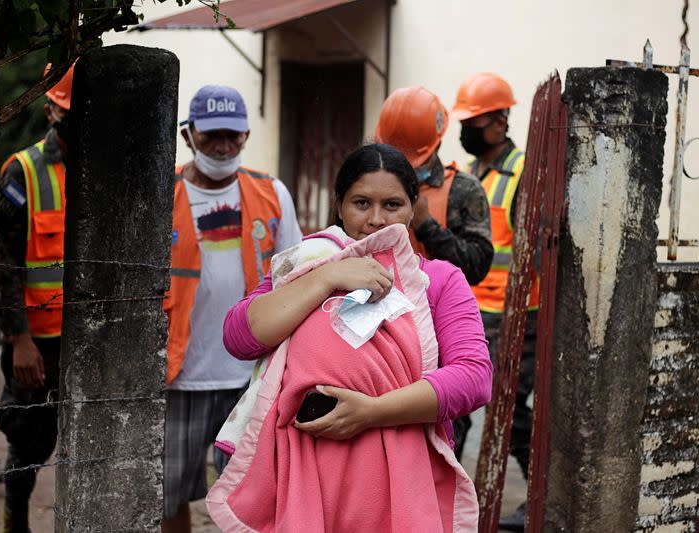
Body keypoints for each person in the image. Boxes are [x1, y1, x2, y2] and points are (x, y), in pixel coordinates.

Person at [211, 144, 492, 530]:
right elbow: (240, 337)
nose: (376, 220)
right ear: (339, 204)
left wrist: (371, 413)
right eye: (361, 203)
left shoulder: (439, 281)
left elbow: (474, 377)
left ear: (414, 207)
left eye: (392, 205)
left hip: (399, 480)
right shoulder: (309, 263)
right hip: (304, 469)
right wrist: (327, 277)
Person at [162, 85, 302, 533]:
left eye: (232, 136)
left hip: (251, 378)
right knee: (165, 496)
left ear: (244, 136)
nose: (223, 147)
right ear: (189, 136)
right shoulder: (160, 194)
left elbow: (297, 277)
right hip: (179, 375)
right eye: (212, 136)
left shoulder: (271, 193)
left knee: (249, 498)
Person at [374, 86, 493, 460]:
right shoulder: (373, 181)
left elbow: (477, 265)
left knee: (439, 450)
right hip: (380, 334)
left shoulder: (463, 190)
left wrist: (426, 225)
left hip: (439, 341)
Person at [452, 72, 539, 531]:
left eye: (475, 121)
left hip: (517, 313)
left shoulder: (526, 171)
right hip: (469, 308)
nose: (466, 129)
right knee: (456, 406)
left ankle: (535, 497)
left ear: (501, 122)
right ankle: (439, 492)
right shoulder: (469, 175)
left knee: (511, 409)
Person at [0, 62, 74, 533]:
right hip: (37, 345)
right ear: (50, 111)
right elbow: (4, 260)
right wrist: (18, 338)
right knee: (27, 444)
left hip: (91, 341)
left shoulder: (111, 173)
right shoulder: (22, 171)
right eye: (71, 116)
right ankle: (13, 522)